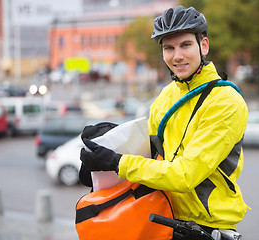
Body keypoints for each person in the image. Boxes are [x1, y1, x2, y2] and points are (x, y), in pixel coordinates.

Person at [80, 5, 249, 239]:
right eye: (169, 48)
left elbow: (185, 175)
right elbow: (150, 152)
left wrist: (117, 162)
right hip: (164, 220)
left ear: (204, 46)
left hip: (206, 230)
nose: (177, 56)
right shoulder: (167, 95)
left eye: (185, 45)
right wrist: (104, 149)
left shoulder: (225, 101)